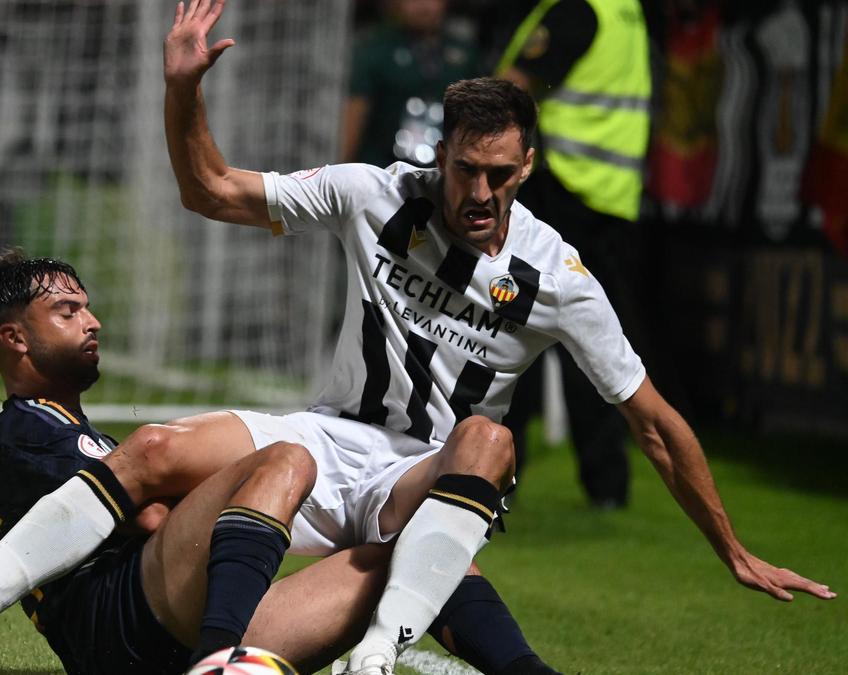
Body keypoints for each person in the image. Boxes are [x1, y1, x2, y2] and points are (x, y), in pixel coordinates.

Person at [159, 2, 831, 674]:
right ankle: (121, 607)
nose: (481, 192)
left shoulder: (558, 275)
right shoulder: (375, 194)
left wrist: (732, 547)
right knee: (158, 454)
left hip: (427, 478)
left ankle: (368, 652)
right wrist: (183, 86)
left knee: (484, 450)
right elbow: (213, 189)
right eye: (466, 170)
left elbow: (652, 422)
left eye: (501, 175)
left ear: (528, 166)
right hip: (331, 441)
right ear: (440, 154)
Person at [0, 250, 556, 675]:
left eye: (88, 305)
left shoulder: (68, 426)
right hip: (121, 625)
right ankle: (216, 660)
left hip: (157, 623)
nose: (93, 320)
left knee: (389, 556)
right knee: (284, 459)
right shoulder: (25, 430)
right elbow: (149, 516)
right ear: (15, 338)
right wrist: (238, 510)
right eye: (67, 309)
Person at [494, 0, 658, 509]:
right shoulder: (625, 13)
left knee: (510, 329)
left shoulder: (577, 10)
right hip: (611, 197)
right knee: (598, 346)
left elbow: (507, 91)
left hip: (563, 188)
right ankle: (607, 487)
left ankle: (495, 471)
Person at [341, 0, 481, 167]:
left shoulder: (464, 54)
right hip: (382, 168)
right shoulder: (375, 48)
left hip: (441, 171)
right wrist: (341, 171)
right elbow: (355, 112)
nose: (423, 6)